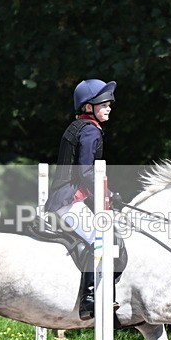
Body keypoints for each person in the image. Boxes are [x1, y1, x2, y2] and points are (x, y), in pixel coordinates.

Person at [46, 78, 122, 320]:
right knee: (100, 236)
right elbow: (85, 172)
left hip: (68, 198)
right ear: (88, 106)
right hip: (68, 200)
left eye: (110, 104)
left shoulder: (79, 126)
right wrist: (108, 196)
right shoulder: (89, 130)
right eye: (104, 104)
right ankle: (89, 298)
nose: (109, 108)